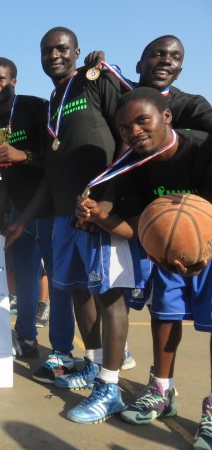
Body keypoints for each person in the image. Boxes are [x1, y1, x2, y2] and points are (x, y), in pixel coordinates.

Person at [76, 86, 212, 448]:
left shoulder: (203, 149)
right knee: (164, 316)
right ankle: (162, 390)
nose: (133, 131)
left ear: (166, 117)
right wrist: (98, 217)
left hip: (208, 248)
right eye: (124, 128)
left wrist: (201, 251)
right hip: (168, 252)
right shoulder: (137, 167)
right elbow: (137, 229)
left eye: (142, 121)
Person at [30, 27, 148, 424]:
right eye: (47, 50)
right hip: (66, 213)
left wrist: (107, 202)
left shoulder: (95, 80)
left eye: (62, 48)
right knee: (79, 290)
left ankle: (110, 388)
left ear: (77, 52)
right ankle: (95, 364)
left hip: (97, 211)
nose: (54, 55)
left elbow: (130, 135)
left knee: (109, 295)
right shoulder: (53, 101)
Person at [0, 57, 75, 378]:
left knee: (59, 283)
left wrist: (23, 155)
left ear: (14, 81)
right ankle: (27, 339)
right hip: (20, 210)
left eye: (0, 79)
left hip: (49, 209)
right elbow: (4, 175)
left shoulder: (36, 109)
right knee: (24, 278)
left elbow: (55, 161)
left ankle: (62, 353)